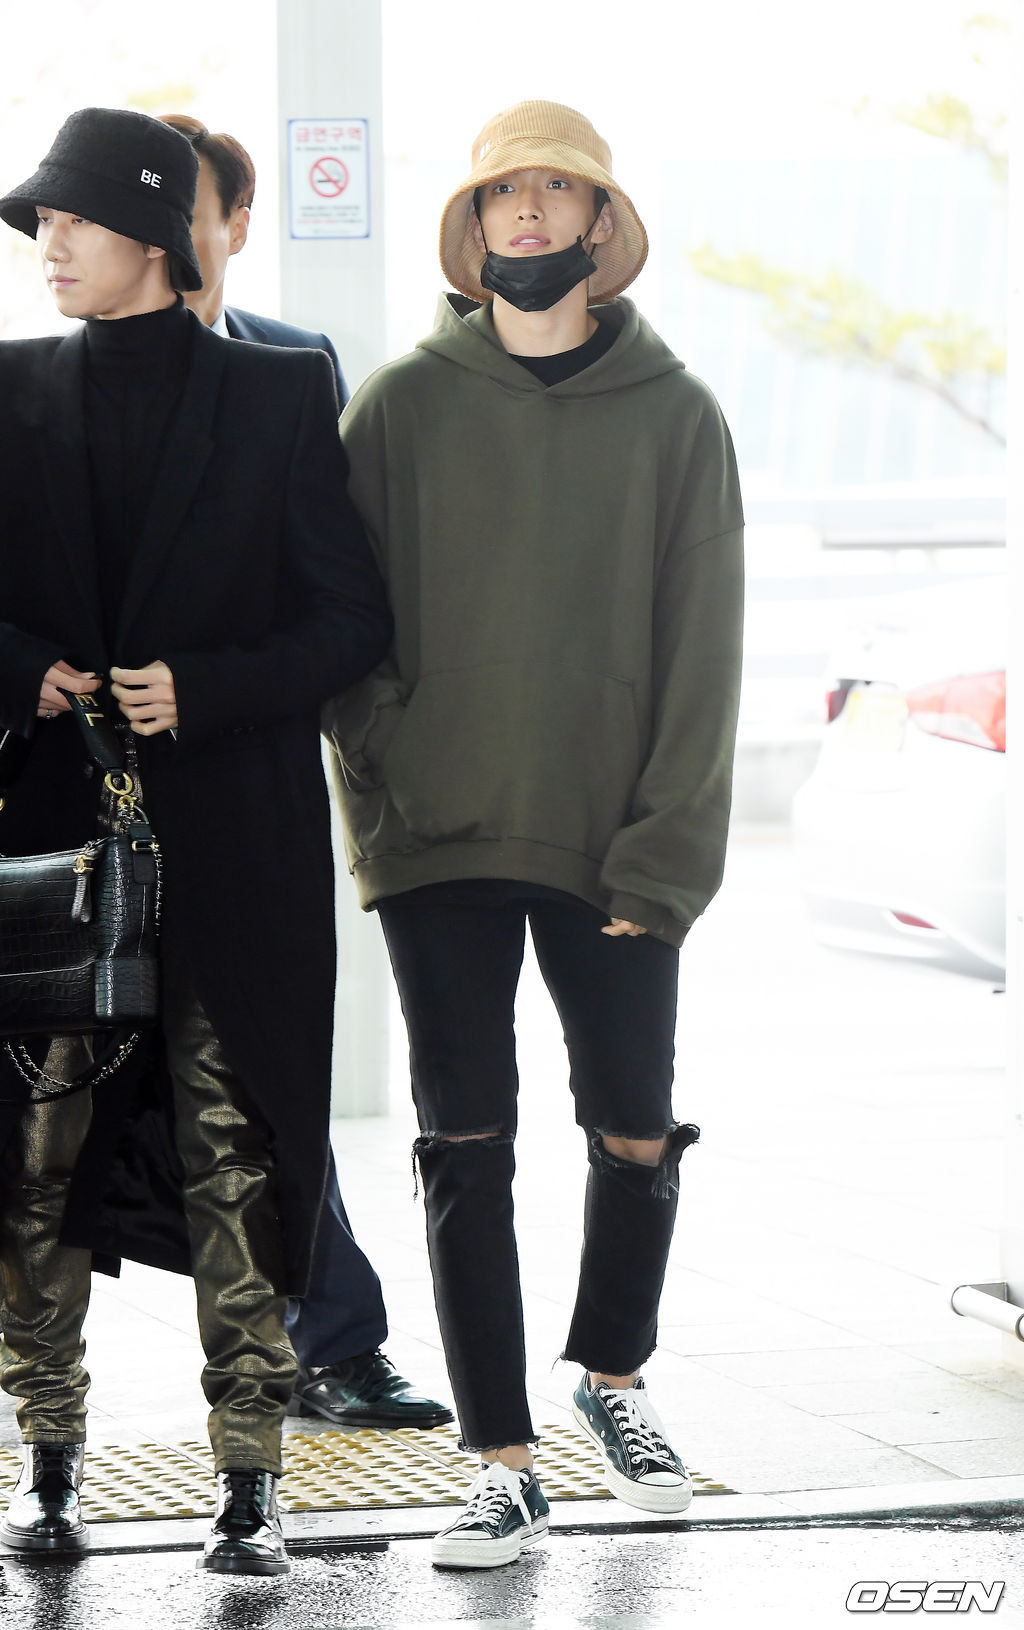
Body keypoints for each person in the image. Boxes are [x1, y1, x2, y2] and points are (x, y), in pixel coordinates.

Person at [323, 100, 744, 1570]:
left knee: (633, 1121)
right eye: (505, 190)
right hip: (439, 835)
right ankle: (499, 1459)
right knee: (465, 1138)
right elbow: (341, 625)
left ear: (597, 225)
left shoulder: (677, 417)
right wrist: (388, 780)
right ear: (476, 222)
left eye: (557, 190)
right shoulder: (401, 408)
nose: (527, 211)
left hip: (612, 835)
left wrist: (668, 851)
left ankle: (611, 1377)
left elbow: (705, 652)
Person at [0, 107, 392, 1574]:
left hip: (237, 843)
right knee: (37, 1158)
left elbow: (352, 619)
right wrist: (25, 670)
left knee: (238, 1149)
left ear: (157, 236)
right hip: (54, 848)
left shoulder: (281, 394)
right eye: (40, 222)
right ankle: (47, 1461)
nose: (47, 244)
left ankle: (250, 1477)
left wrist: (206, 689)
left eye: (72, 219)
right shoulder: (7, 388)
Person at [159, 111, 451, 1435]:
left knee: (266, 1069)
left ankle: (332, 1340)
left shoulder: (294, 365)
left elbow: (336, 587)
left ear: (235, 222)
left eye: (186, 209)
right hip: (88, 783)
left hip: (247, 777)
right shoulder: (45, 381)